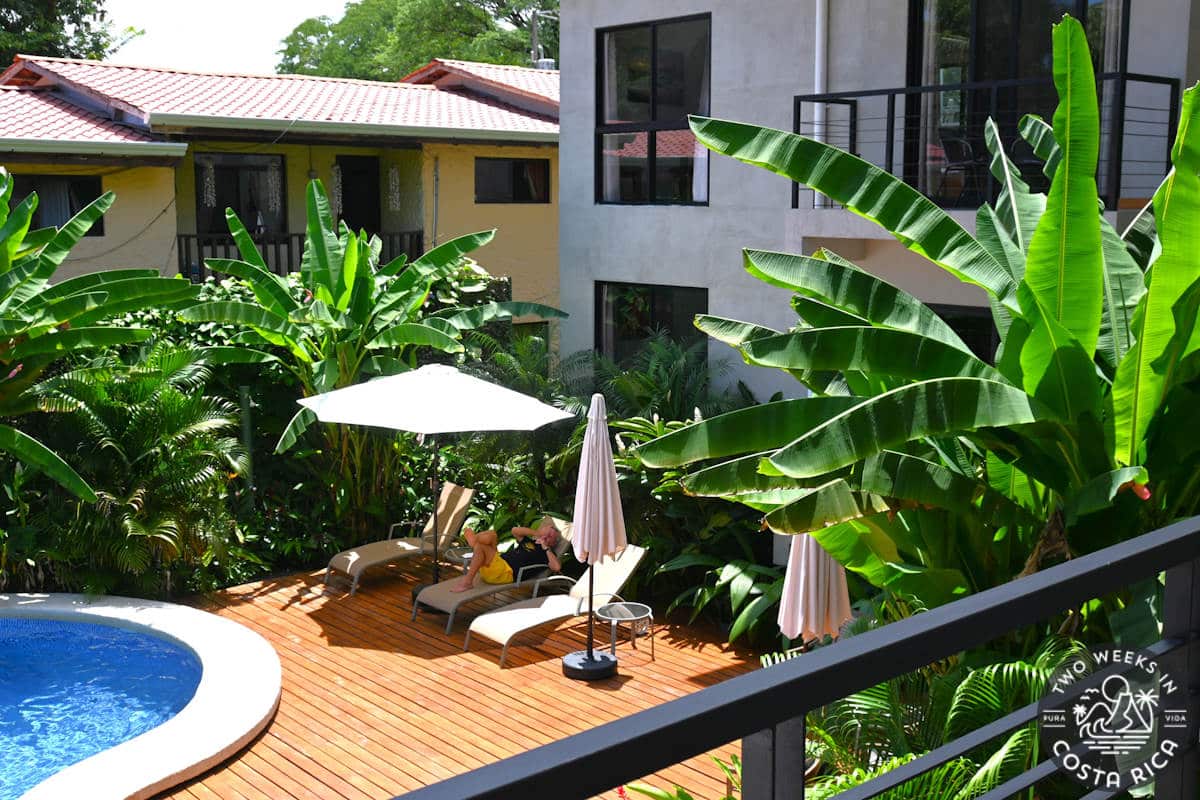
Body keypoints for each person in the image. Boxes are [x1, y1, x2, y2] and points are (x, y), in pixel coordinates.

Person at [451, 518, 561, 592]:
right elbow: (515, 530)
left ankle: (467, 581)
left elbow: (556, 567)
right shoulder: (529, 541)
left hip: (504, 572)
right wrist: (536, 534)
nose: (547, 536)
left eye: (551, 536)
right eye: (546, 533)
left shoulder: (547, 553)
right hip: (498, 562)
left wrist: (545, 547)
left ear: (553, 543)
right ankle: (474, 542)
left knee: (480, 547)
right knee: (491, 535)